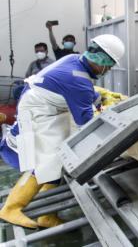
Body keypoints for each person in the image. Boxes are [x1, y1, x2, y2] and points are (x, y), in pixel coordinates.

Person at [0, 34, 125, 229]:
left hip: (46, 106)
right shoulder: (78, 79)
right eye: (108, 65)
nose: (108, 70)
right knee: (43, 160)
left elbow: (84, 91)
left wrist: (99, 98)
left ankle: (47, 216)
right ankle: (11, 208)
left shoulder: (75, 60)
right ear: (101, 59)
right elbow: (85, 123)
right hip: (37, 111)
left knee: (58, 159)